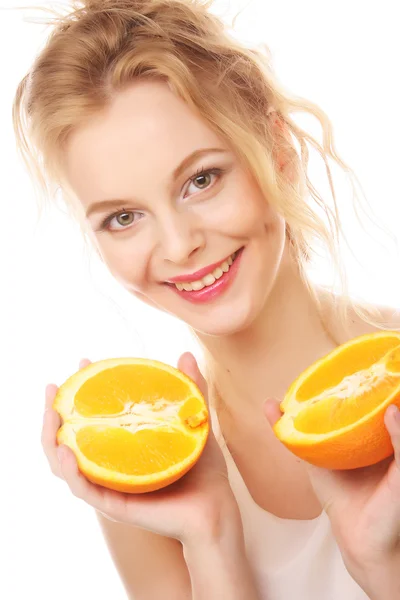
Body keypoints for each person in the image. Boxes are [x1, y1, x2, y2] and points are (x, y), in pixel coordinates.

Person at [12, 0, 400, 598]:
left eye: (201, 179)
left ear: (276, 151)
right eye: (123, 217)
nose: (178, 244)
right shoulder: (146, 463)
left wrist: (383, 570)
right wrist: (212, 537)